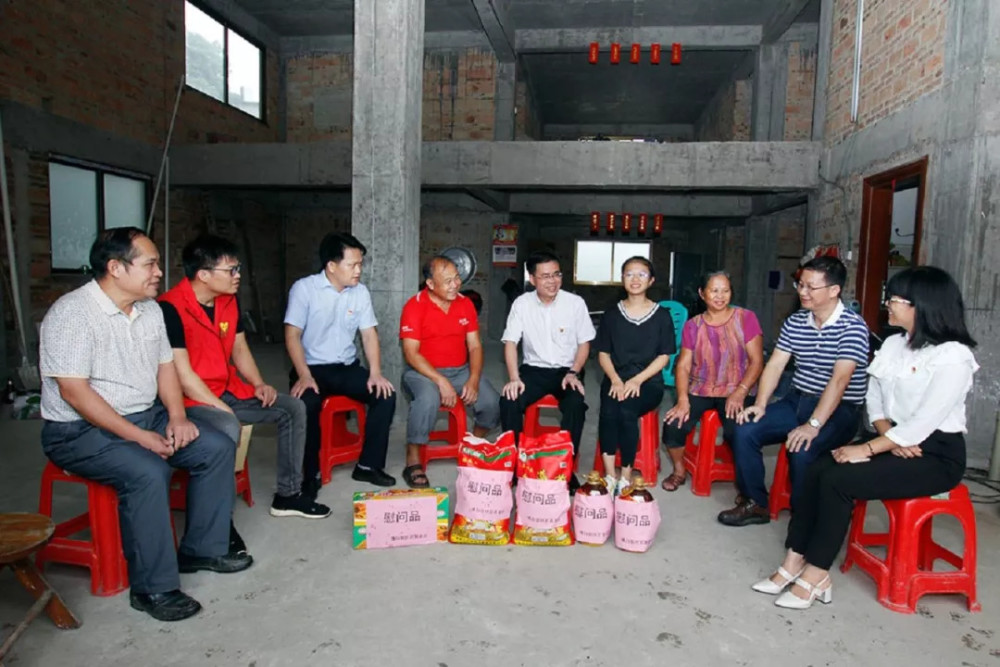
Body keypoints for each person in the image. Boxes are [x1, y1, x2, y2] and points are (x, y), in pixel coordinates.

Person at [39, 228, 251, 623]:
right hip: (77, 431)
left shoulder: (150, 310)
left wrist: (177, 416)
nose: (158, 272)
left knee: (216, 446)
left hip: (146, 414)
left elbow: (166, 368)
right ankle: (154, 588)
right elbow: (73, 393)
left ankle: (202, 548)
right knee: (148, 471)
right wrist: (139, 437)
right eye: (150, 263)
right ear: (115, 268)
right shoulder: (72, 314)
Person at [753, 266, 978, 609]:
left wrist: (868, 448)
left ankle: (817, 573)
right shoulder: (893, 343)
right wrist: (888, 436)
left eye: (896, 299)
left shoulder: (953, 357)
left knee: (839, 480)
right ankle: (793, 559)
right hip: (894, 437)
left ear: (923, 305)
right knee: (816, 465)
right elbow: (874, 398)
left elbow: (925, 422)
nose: (888, 304)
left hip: (934, 454)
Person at [159, 235, 330, 520]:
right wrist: (222, 408)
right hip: (191, 401)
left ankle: (288, 495)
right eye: (231, 271)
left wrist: (259, 383)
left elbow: (239, 348)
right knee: (227, 425)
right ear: (203, 274)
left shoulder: (227, 301)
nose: (238, 276)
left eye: (238, 269)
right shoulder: (169, 308)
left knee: (292, 408)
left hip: (227, 390)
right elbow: (183, 376)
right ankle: (219, 523)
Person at [720, 256, 869, 527]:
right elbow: (776, 364)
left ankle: (806, 518)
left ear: (834, 290)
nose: (802, 292)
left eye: (811, 287)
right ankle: (755, 503)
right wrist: (761, 404)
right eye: (800, 285)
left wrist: (813, 425)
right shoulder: (796, 322)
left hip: (840, 410)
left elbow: (839, 382)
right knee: (744, 429)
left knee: (802, 448)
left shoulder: (853, 327)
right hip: (797, 400)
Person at [285, 232, 397, 495]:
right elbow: (292, 335)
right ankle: (309, 474)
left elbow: (369, 334)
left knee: (385, 395)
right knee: (307, 405)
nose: (358, 271)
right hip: (311, 369)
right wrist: (303, 375)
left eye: (360, 264)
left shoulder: (360, 292)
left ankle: (368, 466)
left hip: (345, 368)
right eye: (353, 265)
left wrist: (376, 373)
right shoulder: (305, 289)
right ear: (331, 266)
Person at [400, 256, 501, 488]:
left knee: (493, 402)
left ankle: (473, 442)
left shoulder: (465, 303)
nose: (455, 284)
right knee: (427, 399)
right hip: (422, 373)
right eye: (447, 281)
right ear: (430, 284)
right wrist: (440, 381)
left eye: (457, 278)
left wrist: (474, 379)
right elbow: (411, 353)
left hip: (460, 370)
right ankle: (413, 458)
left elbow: (475, 346)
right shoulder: (414, 306)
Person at [499, 251, 595, 491]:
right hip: (534, 370)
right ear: (532, 279)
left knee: (575, 405)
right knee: (509, 400)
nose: (552, 281)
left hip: (568, 370)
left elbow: (585, 343)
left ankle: (566, 468)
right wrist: (513, 378)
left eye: (556, 274)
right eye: (545, 276)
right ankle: (515, 465)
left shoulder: (575, 303)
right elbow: (510, 342)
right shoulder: (522, 304)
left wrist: (574, 372)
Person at [661, 271, 764, 491]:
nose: (720, 296)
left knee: (739, 431)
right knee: (673, 425)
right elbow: (684, 365)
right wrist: (682, 399)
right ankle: (679, 469)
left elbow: (757, 361)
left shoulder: (746, 318)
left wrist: (741, 391)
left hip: (738, 388)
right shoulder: (693, 325)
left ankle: (745, 483)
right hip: (701, 387)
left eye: (725, 290)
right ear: (702, 293)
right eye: (714, 290)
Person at [595, 256, 675, 495]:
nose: (635, 279)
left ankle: (626, 476)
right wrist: (616, 380)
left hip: (648, 382)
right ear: (622, 279)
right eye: (629, 274)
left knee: (627, 410)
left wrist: (638, 380)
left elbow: (664, 356)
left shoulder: (661, 315)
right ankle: (610, 475)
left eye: (641, 274)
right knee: (609, 409)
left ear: (651, 280)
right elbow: (603, 354)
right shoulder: (611, 314)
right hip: (616, 378)